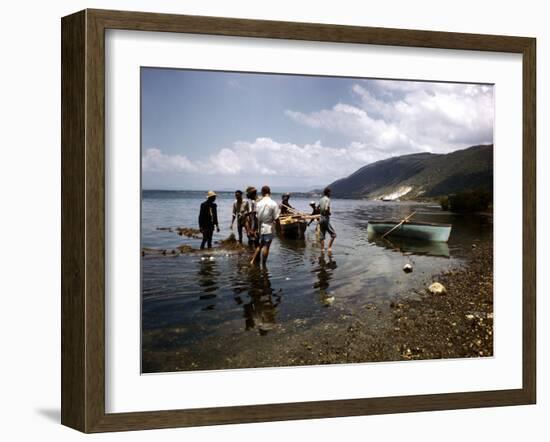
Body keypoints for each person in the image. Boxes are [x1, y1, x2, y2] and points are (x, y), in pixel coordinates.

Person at [251, 185, 280, 266]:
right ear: (269, 192)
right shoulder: (273, 203)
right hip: (268, 227)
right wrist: (280, 230)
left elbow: (256, 218)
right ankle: (263, 264)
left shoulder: (259, 203)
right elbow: (277, 218)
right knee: (266, 246)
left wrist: (256, 229)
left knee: (261, 245)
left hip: (261, 227)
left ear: (262, 192)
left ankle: (253, 261)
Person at [318, 187, 336, 254]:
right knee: (334, 235)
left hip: (321, 218)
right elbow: (326, 208)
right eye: (330, 192)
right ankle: (329, 248)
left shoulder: (321, 199)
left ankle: (322, 250)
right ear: (328, 192)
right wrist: (329, 213)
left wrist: (321, 212)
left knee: (322, 235)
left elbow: (317, 208)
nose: (331, 194)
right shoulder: (327, 199)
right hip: (325, 218)